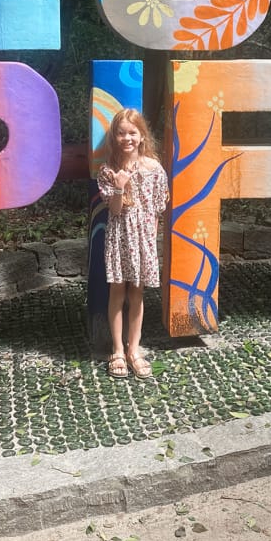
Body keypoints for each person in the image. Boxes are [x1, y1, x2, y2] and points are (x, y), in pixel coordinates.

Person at [96, 109, 169, 380]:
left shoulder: (154, 169)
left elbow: (159, 208)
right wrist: (119, 186)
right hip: (119, 236)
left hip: (144, 238)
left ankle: (134, 350)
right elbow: (114, 211)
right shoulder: (107, 170)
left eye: (132, 132)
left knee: (137, 293)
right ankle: (117, 350)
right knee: (117, 291)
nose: (127, 138)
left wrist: (151, 240)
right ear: (114, 137)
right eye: (121, 133)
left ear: (141, 136)